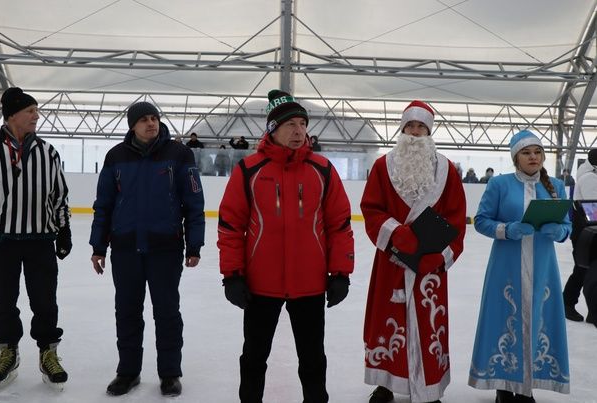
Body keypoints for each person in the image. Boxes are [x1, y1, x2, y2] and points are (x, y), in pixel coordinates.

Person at [217, 89, 354, 403]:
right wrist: (233, 275)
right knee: (253, 357)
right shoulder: (249, 170)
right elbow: (230, 226)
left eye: (302, 124)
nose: (298, 131)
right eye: (290, 124)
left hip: (309, 284)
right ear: (272, 129)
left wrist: (341, 273)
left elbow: (340, 225)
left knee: (313, 360)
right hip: (260, 285)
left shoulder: (322, 170)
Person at [89, 101, 205, 397]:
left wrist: (194, 244)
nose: (151, 124)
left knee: (167, 312)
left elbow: (193, 203)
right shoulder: (115, 156)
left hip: (164, 248)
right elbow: (104, 204)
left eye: (154, 118)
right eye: (143, 120)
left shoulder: (179, 154)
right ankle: (128, 371)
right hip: (126, 248)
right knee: (126, 311)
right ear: (132, 125)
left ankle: (169, 373)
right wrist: (98, 246)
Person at [361, 100, 466, 403]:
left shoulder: (447, 170)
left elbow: (457, 217)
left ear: (430, 131)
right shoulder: (383, 166)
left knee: (429, 323)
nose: (416, 132)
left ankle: (429, 385)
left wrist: (443, 255)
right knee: (386, 320)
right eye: (411, 126)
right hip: (392, 259)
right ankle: (385, 383)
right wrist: (395, 233)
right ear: (402, 129)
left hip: (429, 267)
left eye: (422, 127)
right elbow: (370, 208)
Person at [468, 130, 571, 403]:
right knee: (504, 319)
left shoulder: (556, 186)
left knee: (538, 319)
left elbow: (567, 226)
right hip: (506, 268)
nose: (533, 157)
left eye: (537, 152)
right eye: (526, 153)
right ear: (516, 157)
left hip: (542, 268)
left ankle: (527, 387)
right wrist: (507, 229)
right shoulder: (499, 184)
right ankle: (503, 384)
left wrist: (557, 231)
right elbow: (481, 220)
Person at [0, 87, 72, 390]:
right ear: (12, 115)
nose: (36, 116)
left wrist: (63, 230)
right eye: (30, 111)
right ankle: (7, 352)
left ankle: (48, 353)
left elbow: (59, 196)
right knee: (2, 300)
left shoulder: (47, 151)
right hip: (1, 240)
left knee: (44, 300)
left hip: (40, 239)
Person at [563, 148, 597, 322]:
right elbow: (593, 208)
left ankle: (593, 312)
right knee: (582, 270)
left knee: (588, 271)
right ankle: (567, 303)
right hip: (587, 234)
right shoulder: (589, 179)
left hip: (590, 232)